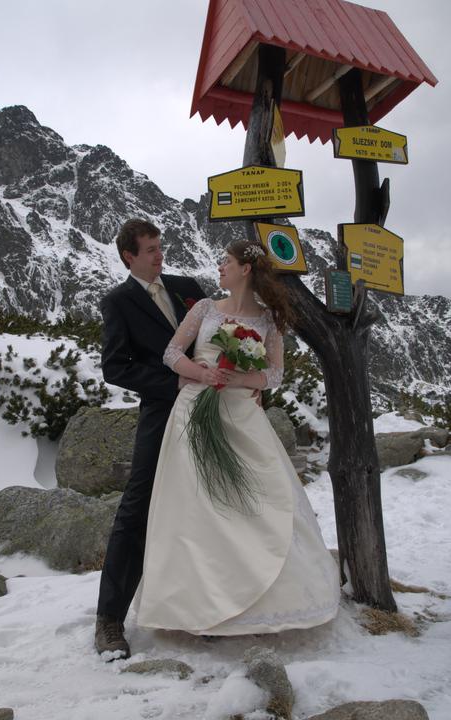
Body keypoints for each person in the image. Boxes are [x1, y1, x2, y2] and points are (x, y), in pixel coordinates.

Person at [132, 240, 340, 636]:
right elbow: (172, 354)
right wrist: (203, 373)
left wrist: (241, 379)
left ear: (246, 269)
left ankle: (262, 603)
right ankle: (195, 605)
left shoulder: (268, 320)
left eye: (226, 261)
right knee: (195, 505)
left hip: (243, 414)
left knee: (258, 500)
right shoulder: (204, 308)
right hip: (195, 410)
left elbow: (274, 374)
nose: (220, 267)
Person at [95, 218, 206, 658]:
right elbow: (114, 366)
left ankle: (207, 609)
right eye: (152, 250)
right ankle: (109, 620)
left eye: (161, 247)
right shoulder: (118, 302)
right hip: (162, 412)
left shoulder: (187, 288)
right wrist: (173, 383)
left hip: (211, 409)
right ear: (130, 256)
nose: (161, 256)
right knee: (137, 508)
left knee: (209, 503)